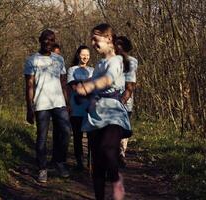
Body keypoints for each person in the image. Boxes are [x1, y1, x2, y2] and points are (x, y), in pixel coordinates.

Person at [75, 23, 131, 200]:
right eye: (91, 38)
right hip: (95, 115)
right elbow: (92, 82)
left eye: (95, 38)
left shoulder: (117, 61)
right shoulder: (99, 63)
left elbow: (108, 80)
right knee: (97, 162)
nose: (92, 42)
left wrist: (89, 86)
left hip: (113, 114)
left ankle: (116, 181)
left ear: (108, 39)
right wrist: (82, 91)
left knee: (108, 150)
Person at [24, 29, 70, 183]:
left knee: (65, 132)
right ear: (40, 40)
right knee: (42, 137)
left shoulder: (59, 59)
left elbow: (63, 82)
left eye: (51, 40)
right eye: (45, 39)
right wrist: (29, 108)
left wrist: (67, 102)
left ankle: (59, 161)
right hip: (42, 104)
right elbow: (29, 86)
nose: (48, 43)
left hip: (59, 103)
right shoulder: (32, 60)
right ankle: (42, 168)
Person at [67, 45, 94, 171]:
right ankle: (79, 162)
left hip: (89, 108)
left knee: (91, 137)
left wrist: (82, 85)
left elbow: (94, 87)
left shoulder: (93, 70)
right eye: (83, 54)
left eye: (87, 55)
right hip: (76, 107)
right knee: (77, 136)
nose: (85, 57)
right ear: (78, 55)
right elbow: (73, 87)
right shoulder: (72, 70)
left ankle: (90, 162)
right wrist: (85, 87)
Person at [116, 36, 138, 168]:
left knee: (124, 129)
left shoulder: (132, 61)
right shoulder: (110, 60)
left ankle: (121, 154)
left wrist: (124, 99)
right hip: (111, 100)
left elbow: (131, 84)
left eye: (120, 45)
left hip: (125, 101)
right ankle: (116, 154)